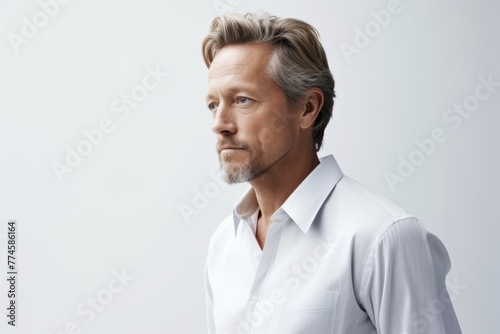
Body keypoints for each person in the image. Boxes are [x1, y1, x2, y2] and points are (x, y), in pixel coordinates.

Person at [202, 12, 462, 334]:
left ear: (308, 108)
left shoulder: (382, 237)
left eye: (242, 100)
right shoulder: (225, 243)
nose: (220, 124)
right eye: (214, 105)